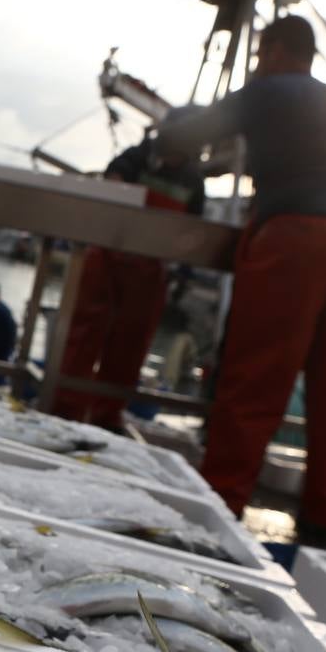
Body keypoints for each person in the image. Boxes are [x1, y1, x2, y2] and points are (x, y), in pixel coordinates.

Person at [158, 15, 326, 542]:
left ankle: (219, 512)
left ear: (276, 51)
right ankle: (324, 524)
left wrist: (175, 118)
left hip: (293, 239)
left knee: (254, 383)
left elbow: (185, 135)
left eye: (260, 53)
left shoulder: (267, 92)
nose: (257, 62)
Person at [53, 119, 206, 430]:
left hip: (150, 271)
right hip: (107, 259)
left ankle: (105, 416)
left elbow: (194, 230)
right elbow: (112, 185)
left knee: (129, 348)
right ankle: (64, 410)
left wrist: (182, 267)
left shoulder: (193, 179)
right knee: (83, 337)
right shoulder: (137, 157)